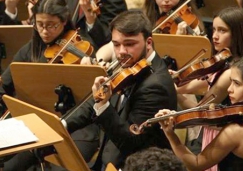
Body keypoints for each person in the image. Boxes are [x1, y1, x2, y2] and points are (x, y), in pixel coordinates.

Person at [0, 0, 100, 170]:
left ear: (65, 21)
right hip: (36, 125)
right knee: (8, 167)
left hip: (76, 128)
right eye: (40, 25)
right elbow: (2, 83)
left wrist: (89, 68)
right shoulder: (30, 49)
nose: (45, 31)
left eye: (52, 25)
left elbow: (94, 96)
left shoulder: (80, 46)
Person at [64, 10, 177, 169]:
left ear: (149, 42)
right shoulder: (127, 62)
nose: (121, 52)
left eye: (129, 44)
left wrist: (103, 106)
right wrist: (63, 124)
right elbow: (93, 102)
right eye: (116, 44)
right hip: (109, 159)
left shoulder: (155, 85)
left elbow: (132, 142)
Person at [175, 6, 243, 171]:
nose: (215, 36)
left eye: (222, 31)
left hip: (220, 135)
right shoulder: (222, 62)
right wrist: (176, 80)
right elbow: (194, 84)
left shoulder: (231, 73)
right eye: (214, 29)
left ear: (237, 34)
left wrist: (172, 92)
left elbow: (197, 111)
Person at [156, 55, 243, 171]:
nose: (229, 89)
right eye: (231, 82)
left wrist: (170, 134)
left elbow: (196, 164)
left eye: (237, 83)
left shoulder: (236, 131)